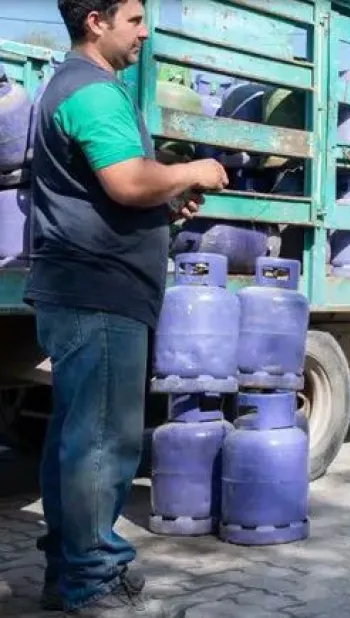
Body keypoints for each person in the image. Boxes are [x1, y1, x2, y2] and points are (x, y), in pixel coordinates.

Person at [27, 1, 228, 615]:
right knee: (102, 444)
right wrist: (189, 168)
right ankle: (94, 582)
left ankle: (69, 572)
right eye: (135, 19)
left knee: (74, 437)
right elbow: (126, 181)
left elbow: (110, 194)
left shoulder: (72, 87)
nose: (145, 31)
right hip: (99, 291)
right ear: (96, 21)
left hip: (82, 285)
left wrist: (164, 204)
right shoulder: (91, 91)